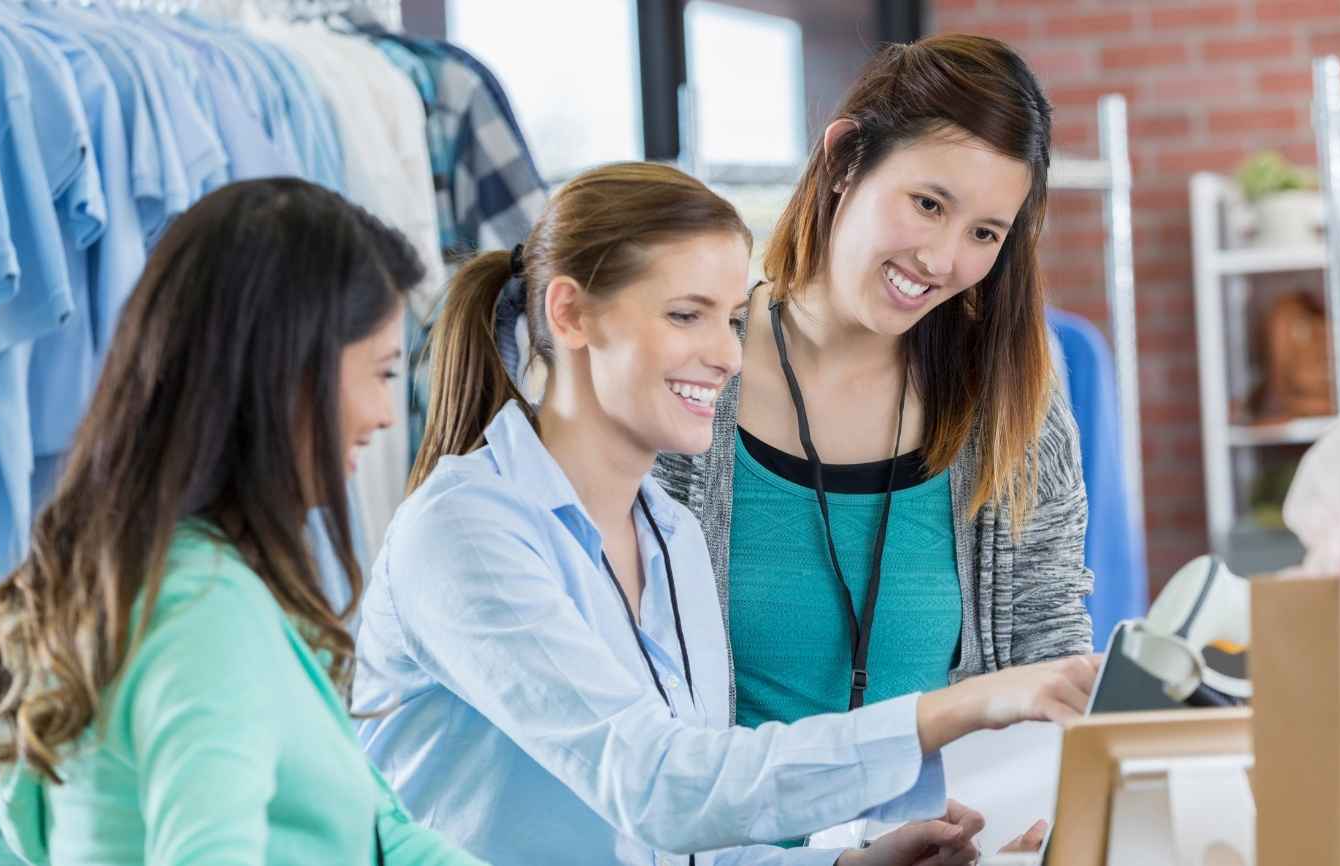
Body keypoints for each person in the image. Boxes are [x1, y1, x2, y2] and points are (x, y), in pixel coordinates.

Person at [352, 161, 1097, 866]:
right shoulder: (467, 532)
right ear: (571, 314)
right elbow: (658, 784)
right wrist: (963, 705)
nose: (729, 355)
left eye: (734, 317)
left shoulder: (670, 537)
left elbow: (688, 846)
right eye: (687, 316)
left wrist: (847, 862)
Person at [652, 38, 1095, 848]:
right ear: (845, 158)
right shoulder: (686, 388)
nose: (942, 259)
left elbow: (1047, 652)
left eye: (985, 233)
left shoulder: (1013, 407)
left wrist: (1039, 820)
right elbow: (641, 736)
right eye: (928, 204)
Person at [0, 179, 484, 866]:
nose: (389, 415)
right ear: (289, 375)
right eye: (382, 373)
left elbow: (382, 835)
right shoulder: (200, 605)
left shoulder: (160, 577)